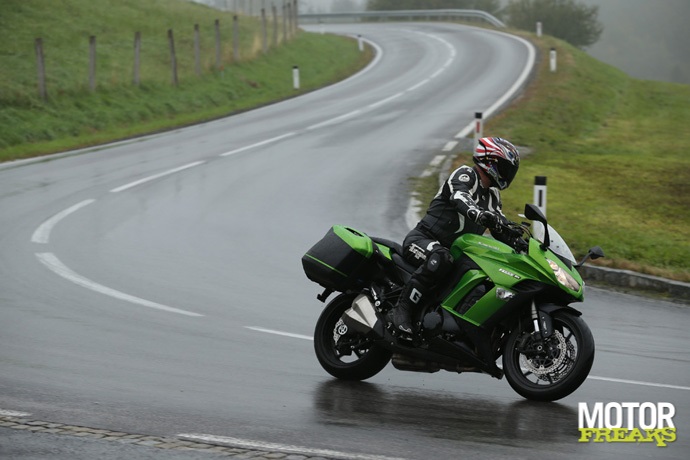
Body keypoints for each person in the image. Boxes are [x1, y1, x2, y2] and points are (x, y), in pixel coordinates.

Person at [390, 136, 523, 337]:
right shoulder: (466, 174)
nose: (508, 173)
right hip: (422, 240)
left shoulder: (493, 196)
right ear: (491, 162)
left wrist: (522, 243)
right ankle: (401, 311)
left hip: (453, 253)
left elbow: (500, 224)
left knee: (482, 272)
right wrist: (478, 213)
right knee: (442, 258)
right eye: (505, 166)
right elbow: (460, 196)